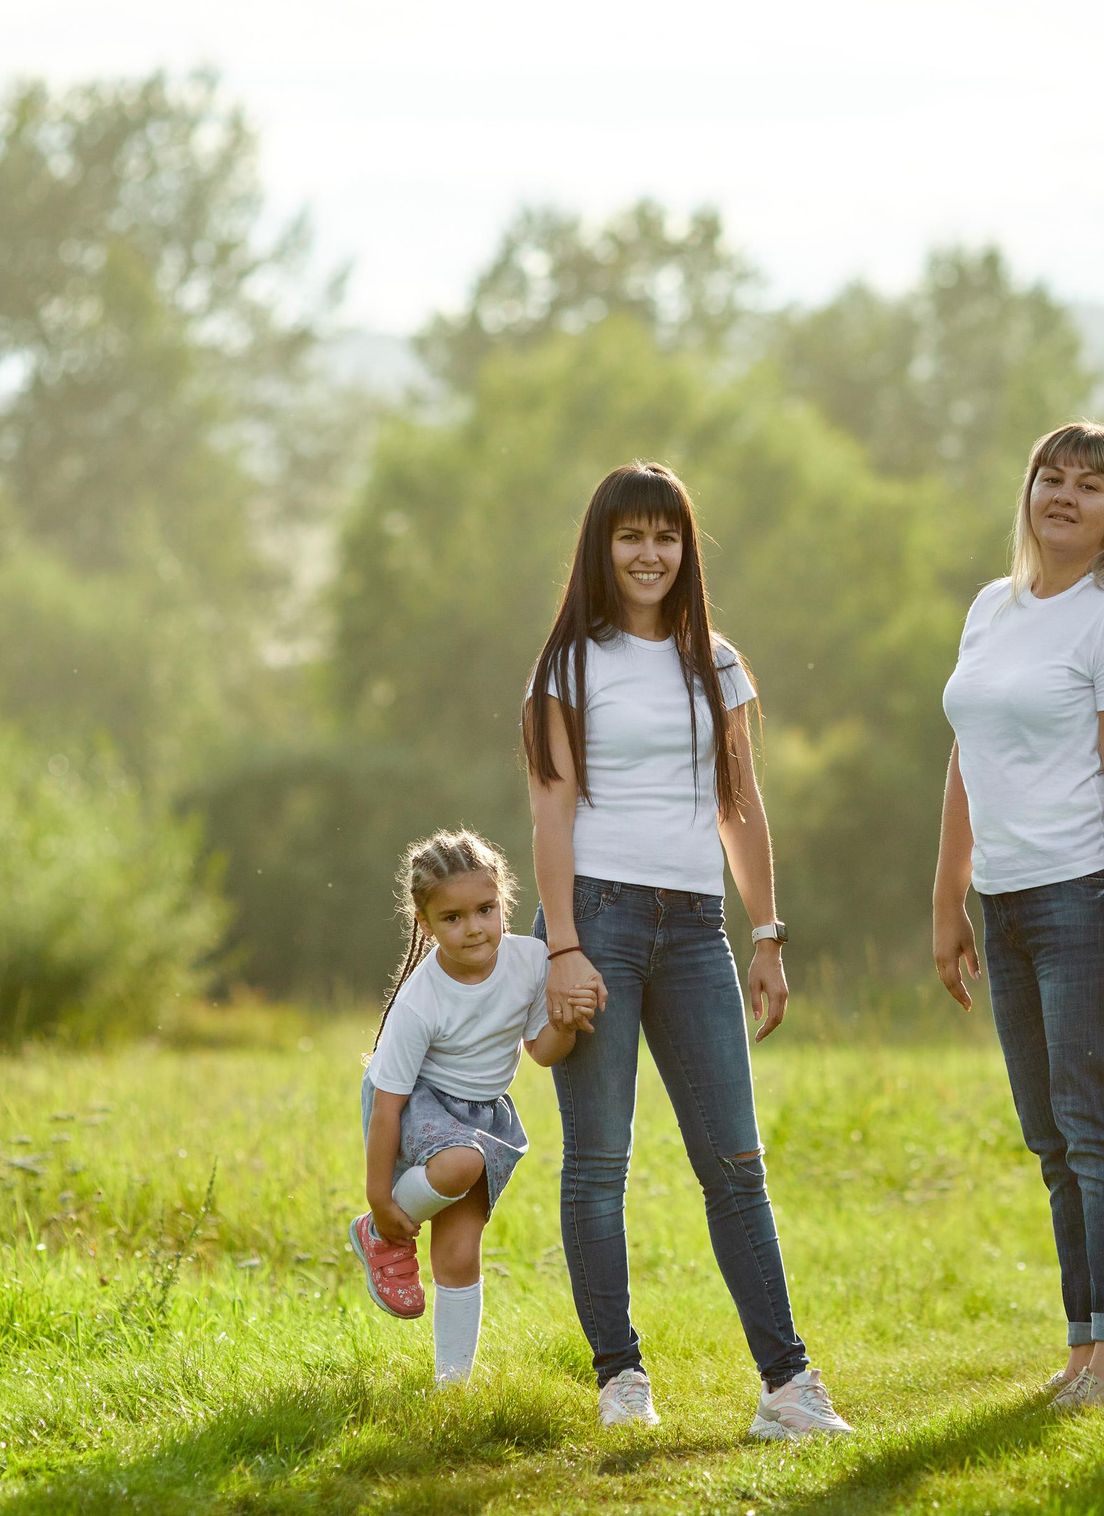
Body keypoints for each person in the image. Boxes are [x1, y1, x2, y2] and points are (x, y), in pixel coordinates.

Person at [522, 461, 852, 1441]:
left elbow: (740, 804)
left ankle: (787, 1391)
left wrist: (765, 932)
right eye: (631, 536)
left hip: (694, 928)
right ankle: (620, 1379)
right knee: (599, 1164)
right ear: (602, 546)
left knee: (735, 1163)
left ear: (685, 548)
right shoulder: (567, 666)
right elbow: (548, 814)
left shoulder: (718, 662)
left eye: (666, 536)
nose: (650, 553)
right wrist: (565, 949)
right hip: (597, 921)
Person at [933, 421, 1104, 1412]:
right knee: (1050, 1137)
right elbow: (964, 756)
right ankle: (1081, 1350)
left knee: (1099, 1129)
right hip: (1007, 901)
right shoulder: (992, 608)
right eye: (1050, 476)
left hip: (1091, 899)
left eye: (1091, 484)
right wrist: (949, 893)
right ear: (1027, 490)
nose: (1065, 494)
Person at [348, 829, 593, 1386]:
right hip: (418, 1104)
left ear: (504, 901)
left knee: (459, 1253)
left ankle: (452, 1388)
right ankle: (377, 1231)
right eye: (452, 918)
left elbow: (542, 1053)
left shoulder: (531, 961)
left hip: (483, 1112)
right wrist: (380, 1197)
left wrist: (566, 1022)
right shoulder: (421, 999)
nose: (474, 928)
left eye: (485, 909)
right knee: (461, 1162)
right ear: (425, 922)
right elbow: (387, 1105)